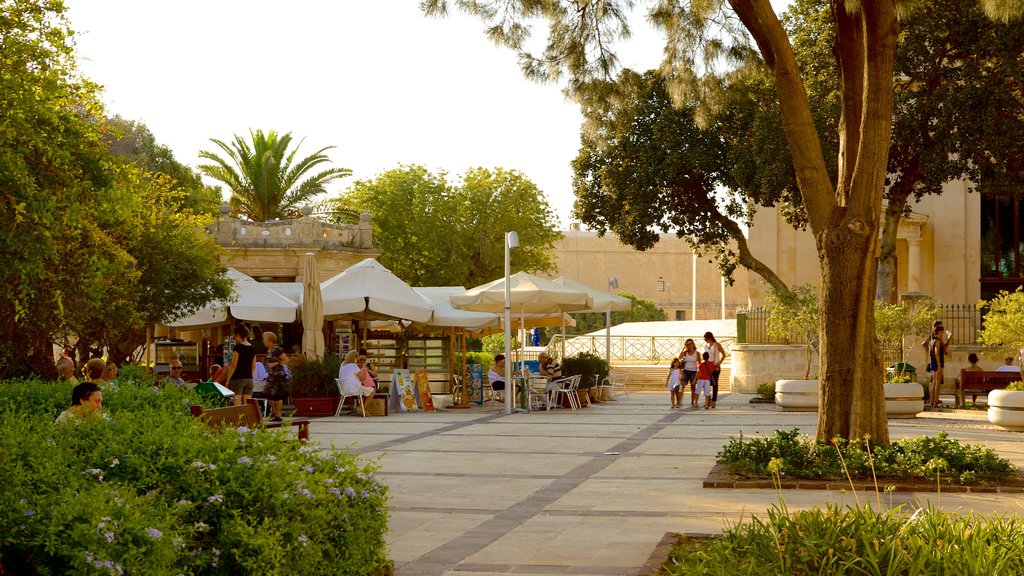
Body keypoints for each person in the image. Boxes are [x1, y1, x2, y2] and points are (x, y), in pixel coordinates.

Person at [223, 324, 257, 406]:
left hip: (237, 379)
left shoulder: (238, 347)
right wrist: (250, 376)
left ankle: (239, 419)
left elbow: (234, 365)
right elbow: (254, 365)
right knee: (247, 406)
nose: (235, 339)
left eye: (234, 337)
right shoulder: (252, 348)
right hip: (249, 379)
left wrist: (228, 380)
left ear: (238, 335)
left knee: (237, 406)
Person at [922, 322, 951, 407]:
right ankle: (935, 400)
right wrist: (938, 363)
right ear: (939, 331)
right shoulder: (937, 340)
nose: (943, 333)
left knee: (934, 382)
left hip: (933, 362)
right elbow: (936, 352)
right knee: (936, 382)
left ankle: (933, 400)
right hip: (937, 363)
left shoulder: (932, 340)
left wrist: (931, 356)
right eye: (942, 331)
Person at [262, 331, 290, 422]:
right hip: (271, 376)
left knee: (278, 396)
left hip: (278, 375)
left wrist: (276, 363)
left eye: (265, 340)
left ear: (270, 340)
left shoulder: (277, 349)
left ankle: (278, 415)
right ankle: (274, 411)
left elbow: (286, 359)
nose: (264, 341)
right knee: (268, 394)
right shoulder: (269, 350)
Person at [339, 349, 374, 415]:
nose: (357, 361)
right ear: (354, 358)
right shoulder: (353, 366)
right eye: (357, 359)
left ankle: (360, 408)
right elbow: (363, 378)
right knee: (372, 391)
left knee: (365, 390)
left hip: (343, 389)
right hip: (353, 389)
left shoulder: (343, 364)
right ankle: (360, 408)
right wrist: (363, 369)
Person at [703, 332, 726, 409]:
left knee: (715, 384)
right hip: (707, 367)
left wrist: (719, 363)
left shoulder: (717, 345)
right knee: (707, 384)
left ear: (709, 338)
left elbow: (724, 354)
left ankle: (713, 401)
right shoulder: (706, 346)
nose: (705, 340)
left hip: (715, 366)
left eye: (706, 339)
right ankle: (707, 400)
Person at [679, 338, 700, 407]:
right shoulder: (686, 352)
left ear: (693, 344)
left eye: (690, 344)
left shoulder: (697, 353)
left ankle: (692, 402)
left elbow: (699, 364)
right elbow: (680, 357)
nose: (689, 345)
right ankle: (680, 401)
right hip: (686, 371)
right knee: (682, 386)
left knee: (693, 387)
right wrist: (683, 349)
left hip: (693, 371)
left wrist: (698, 373)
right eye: (687, 344)